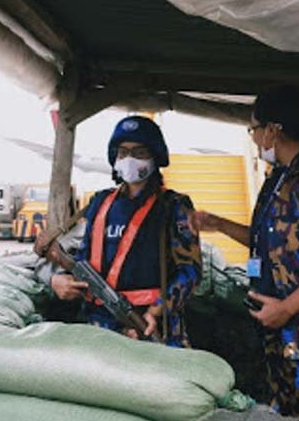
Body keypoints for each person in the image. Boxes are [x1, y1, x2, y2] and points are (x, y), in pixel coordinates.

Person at [193, 86, 299, 420]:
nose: (255, 139)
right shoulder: (281, 177)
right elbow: (269, 244)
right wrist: (220, 225)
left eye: (254, 130)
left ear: (272, 130)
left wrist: (286, 307)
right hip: (282, 333)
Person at [36, 115, 202, 347]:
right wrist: (58, 280)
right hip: (98, 325)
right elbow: (82, 260)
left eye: (139, 152)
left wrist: (156, 311)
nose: (129, 159)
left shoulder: (174, 206)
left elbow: (191, 271)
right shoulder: (100, 202)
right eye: (122, 152)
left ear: (155, 156)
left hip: (151, 325)